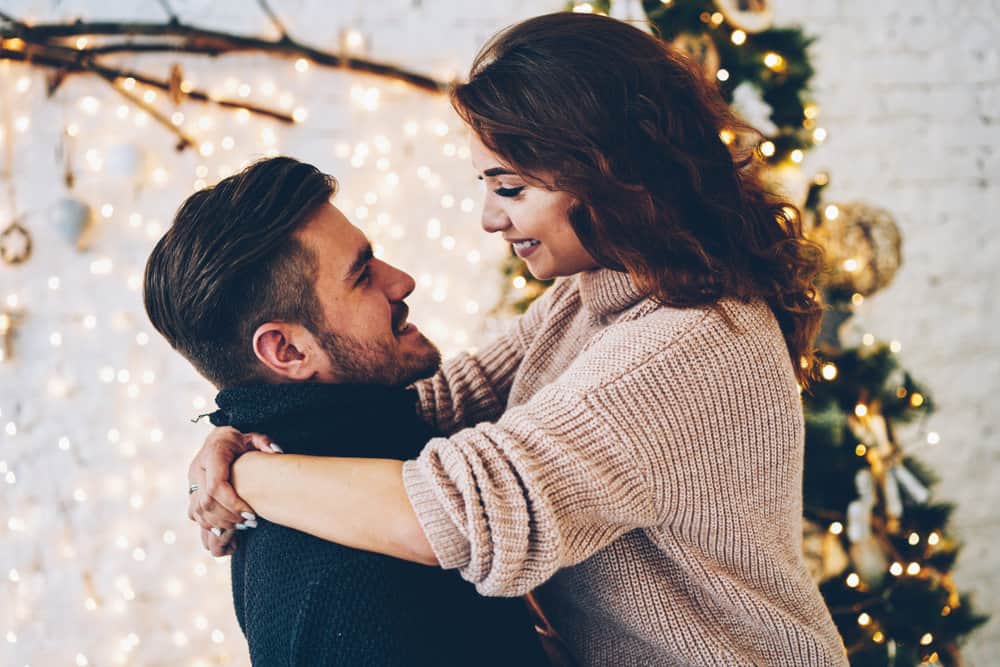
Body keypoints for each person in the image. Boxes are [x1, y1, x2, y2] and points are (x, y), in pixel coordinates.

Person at [188, 12, 849, 666]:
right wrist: (233, 434)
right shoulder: (595, 294)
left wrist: (248, 473)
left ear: (609, 175)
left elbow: (462, 514)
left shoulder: (688, 345)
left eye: (510, 187)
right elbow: (443, 402)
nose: (489, 217)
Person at [143, 157, 547, 666]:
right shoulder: (348, 580)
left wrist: (238, 451)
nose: (402, 281)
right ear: (287, 352)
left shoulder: (363, 445)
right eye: (362, 275)